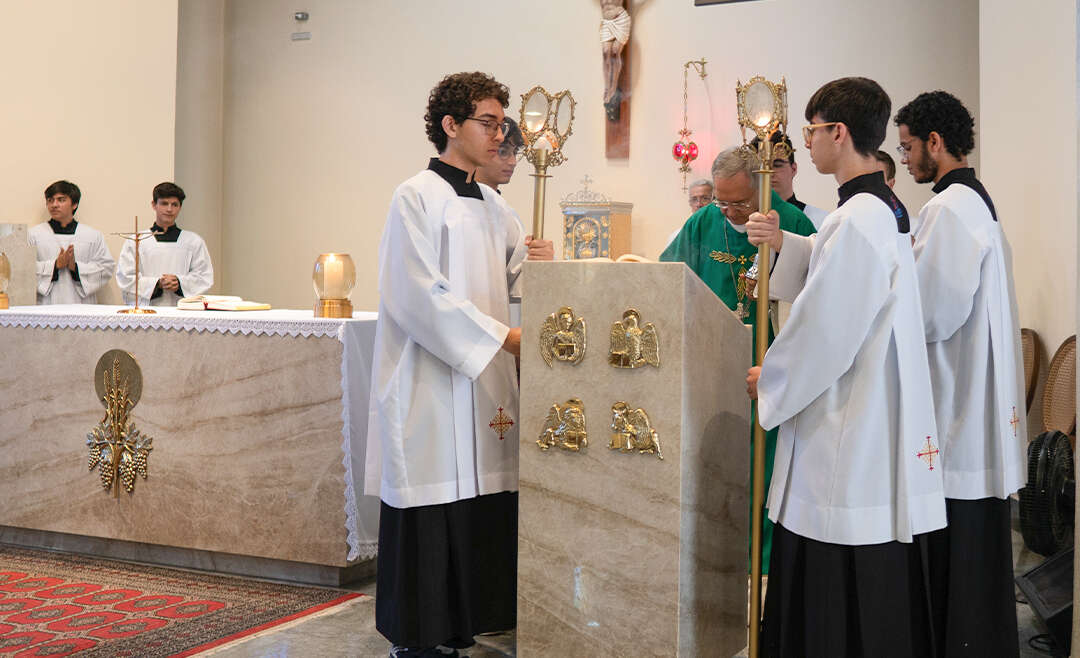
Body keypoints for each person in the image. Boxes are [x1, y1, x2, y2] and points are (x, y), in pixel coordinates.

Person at [745, 77, 946, 657]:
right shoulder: (868, 209)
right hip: (869, 409)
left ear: (838, 132)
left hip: (850, 422)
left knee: (835, 566)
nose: (806, 143)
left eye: (811, 130)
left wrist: (774, 379)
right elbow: (836, 272)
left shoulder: (859, 217)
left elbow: (829, 329)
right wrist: (788, 242)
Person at [365, 71, 553, 658]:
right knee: (435, 495)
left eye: (502, 124)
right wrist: (501, 337)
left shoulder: (497, 205)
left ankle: (473, 620)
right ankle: (421, 636)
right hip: (430, 379)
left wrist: (545, 266)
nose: (500, 135)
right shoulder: (415, 196)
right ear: (451, 126)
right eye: (489, 123)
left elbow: (518, 280)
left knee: (483, 496)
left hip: (488, 378)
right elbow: (416, 291)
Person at [896, 90, 1024, 658]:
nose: (904, 160)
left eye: (907, 148)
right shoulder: (977, 202)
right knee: (980, 556)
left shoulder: (947, 209)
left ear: (935, 142)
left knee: (959, 562)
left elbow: (933, 313)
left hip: (958, 407)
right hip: (976, 403)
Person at [660, 146, 815, 577]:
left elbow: (809, 302)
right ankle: (714, 562)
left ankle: (764, 566)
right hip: (711, 361)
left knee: (764, 469)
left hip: (765, 364)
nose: (729, 212)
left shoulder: (793, 223)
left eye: (740, 203)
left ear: (762, 187)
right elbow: (670, 277)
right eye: (721, 201)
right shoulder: (704, 221)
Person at [115, 182, 213, 306]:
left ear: (180, 207)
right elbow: (125, 277)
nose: (169, 209)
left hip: (182, 311)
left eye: (174, 204)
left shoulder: (193, 241)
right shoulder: (136, 241)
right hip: (147, 310)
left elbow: (204, 276)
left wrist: (179, 283)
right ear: (154, 205)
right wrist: (157, 284)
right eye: (164, 203)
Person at [28, 180, 115, 305]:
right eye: (50, 200)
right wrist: (55, 266)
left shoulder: (92, 236)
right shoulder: (34, 235)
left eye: (61, 200)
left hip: (82, 305)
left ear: (74, 204)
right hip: (46, 306)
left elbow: (106, 268)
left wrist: (76, 268)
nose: (54, 205)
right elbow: (24, 271)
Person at [751, 133, 829, 228]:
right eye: (761, 167)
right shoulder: (743, 221)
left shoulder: (821, 221)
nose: (768, 173)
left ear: (794, 169)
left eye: (777, 165)